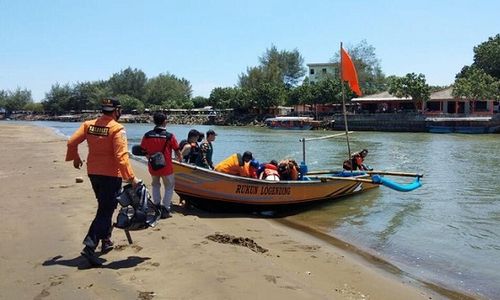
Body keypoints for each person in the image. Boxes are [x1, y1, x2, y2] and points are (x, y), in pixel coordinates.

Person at [66, 97, 140, 267]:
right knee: (105, 210)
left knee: (106, 205)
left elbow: (71, 142)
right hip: (110, 175)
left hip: (93, 172)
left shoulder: (88, 125)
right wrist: (131, 177)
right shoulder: (117, 129)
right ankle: (90, 246)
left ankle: (106, 239)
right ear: (117, 111)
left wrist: (75, 157)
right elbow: (121, 157)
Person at [140, 112, 182, 219]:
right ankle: (166, 209)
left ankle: (157, 206)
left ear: (154, 121)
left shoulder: (147, 135)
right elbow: (177, 151)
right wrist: (180, 160)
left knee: (155, 185)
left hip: (153, 166)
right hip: (166, 167)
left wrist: (149, 158)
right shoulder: (169, 136)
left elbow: (143, 149)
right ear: (165, 122)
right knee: (169, 187)